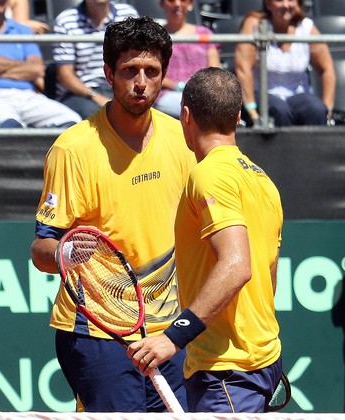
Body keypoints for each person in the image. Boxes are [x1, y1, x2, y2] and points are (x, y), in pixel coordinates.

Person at [30, 16, 195, 412]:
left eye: (151, 71)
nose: (141, 82)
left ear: (164, 75)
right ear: (108, 73)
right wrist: (63, 255)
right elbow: (41, 249)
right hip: (98, 334)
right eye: (129, 71)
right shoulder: (73, 150)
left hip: (167, 334)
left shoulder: (183, 139)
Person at [127, 67, 284, 413]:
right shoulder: (263, 181)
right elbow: (267, 274)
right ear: (238, 117)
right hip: (261, 361)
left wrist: (173, 337)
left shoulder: (207, 174)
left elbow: (237, 265)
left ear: (185, 116)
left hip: (226, 370)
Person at [0, 0, 81, 128]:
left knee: (73, 121)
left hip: (27, 96)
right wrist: (22, 67)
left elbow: (37, 69)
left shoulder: (22, 30)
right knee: (10, 124)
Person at [234, 0, 335, 127]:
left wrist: (328, 109)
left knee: (316, 110)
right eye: (279, 0)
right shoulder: (254, 24)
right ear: (268, 4)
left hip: (298, 95)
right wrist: (252, 112)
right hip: (263, 94)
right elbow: (243, 68)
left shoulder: (306, 27)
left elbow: (327, 69)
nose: (286, 5)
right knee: (280, 111)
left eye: (291, 0)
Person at [50, 0, 138, 119]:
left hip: (120, 88)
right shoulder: (65, 21)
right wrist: (95, 96)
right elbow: (65, 75)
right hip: (79, 94)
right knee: (104, 118)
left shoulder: (128, 15)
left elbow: (137, 60)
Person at [153, 0, 220, 118]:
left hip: (202, 93)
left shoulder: (204, 33)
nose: (177, 4)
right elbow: (152, 71)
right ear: (162, 4)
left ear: (190, 4)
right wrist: (177, 85)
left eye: (183, 0)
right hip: (168, 93)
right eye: (171, 0)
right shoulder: (155, 36)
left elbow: (215, 69)